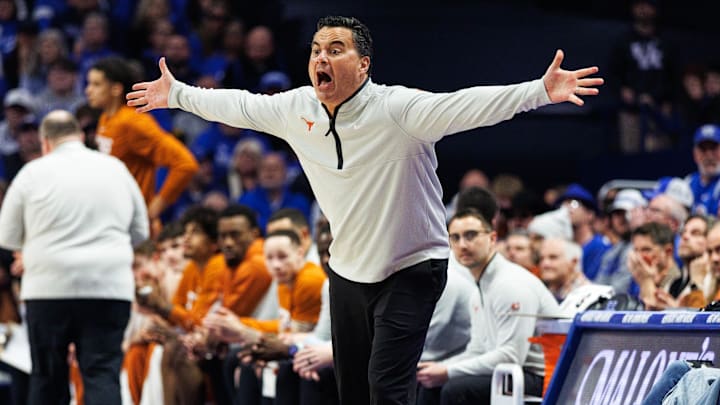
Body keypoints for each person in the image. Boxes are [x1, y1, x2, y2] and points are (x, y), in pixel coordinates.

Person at [126, 15, 603, 405]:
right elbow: (239, 105)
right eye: (316, 49)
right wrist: (178, 95)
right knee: (351, 391)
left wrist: (540, 91)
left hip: (413, 267)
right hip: (350, 271)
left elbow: (467, 105)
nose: (321, 57)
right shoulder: (296, 110)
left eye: (335, 49)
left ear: (364, 64)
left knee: (386, 388)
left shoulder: (398, 110)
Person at [0, 110, 149, 405]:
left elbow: (7, 236)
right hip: (108, 287)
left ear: (45, 142)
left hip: (48, 288)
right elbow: (140, 231)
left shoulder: (31, 173)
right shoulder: (115, 168)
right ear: (81, 137)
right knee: (102, 373)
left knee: (47, 378)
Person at [415, 208, 559, 405]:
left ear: (492, 238)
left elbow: (511, 356)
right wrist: (441, 367)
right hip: (511, 372)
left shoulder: (510, 284)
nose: (462, 245)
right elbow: (477, 350)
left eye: (471, 235)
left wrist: (448, 371)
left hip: (542, 377)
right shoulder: (479, 290)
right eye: (455, 238)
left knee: (455, 390)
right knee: (429, 383)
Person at [85, 56, 199, 223]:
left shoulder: (134, 123)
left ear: (116, 89)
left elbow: (185, 163)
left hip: (133, 222)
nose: (88, 90)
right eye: (89, 84)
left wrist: (154, 209)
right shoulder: (105, 119)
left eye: (96, 84)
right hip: (113, 216)